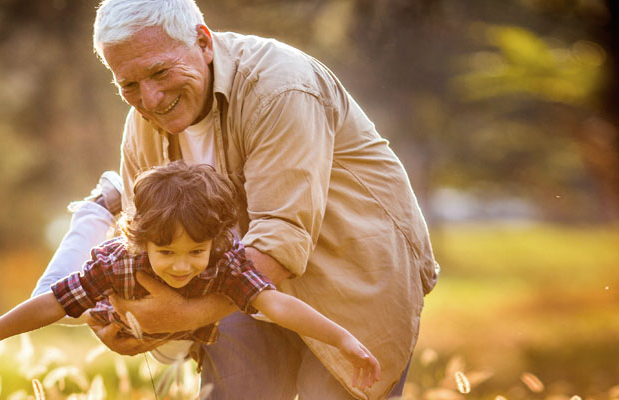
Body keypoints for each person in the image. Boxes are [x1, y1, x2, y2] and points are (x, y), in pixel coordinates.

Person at [27, 0, 441, 398]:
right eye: (130, 84)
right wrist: (132, 320)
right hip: (237, 288)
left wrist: (180, 316)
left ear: (204, 44)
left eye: (159, 71)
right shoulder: (144, 121)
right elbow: (143, 239)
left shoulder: (280, 88)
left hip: (349, 281)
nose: (149, 99)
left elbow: (280, 238)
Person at [0, 162, 382, 390]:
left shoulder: (225, 262)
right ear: (142, 241)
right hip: (115, 307)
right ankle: (98, 207)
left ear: (216, 241)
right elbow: (51, 304)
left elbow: (277, 304)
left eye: (196, 251)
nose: (182, 265)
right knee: (52, 293)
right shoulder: (117, 261)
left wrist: (341, 338)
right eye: (166, 251)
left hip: (178, 325)